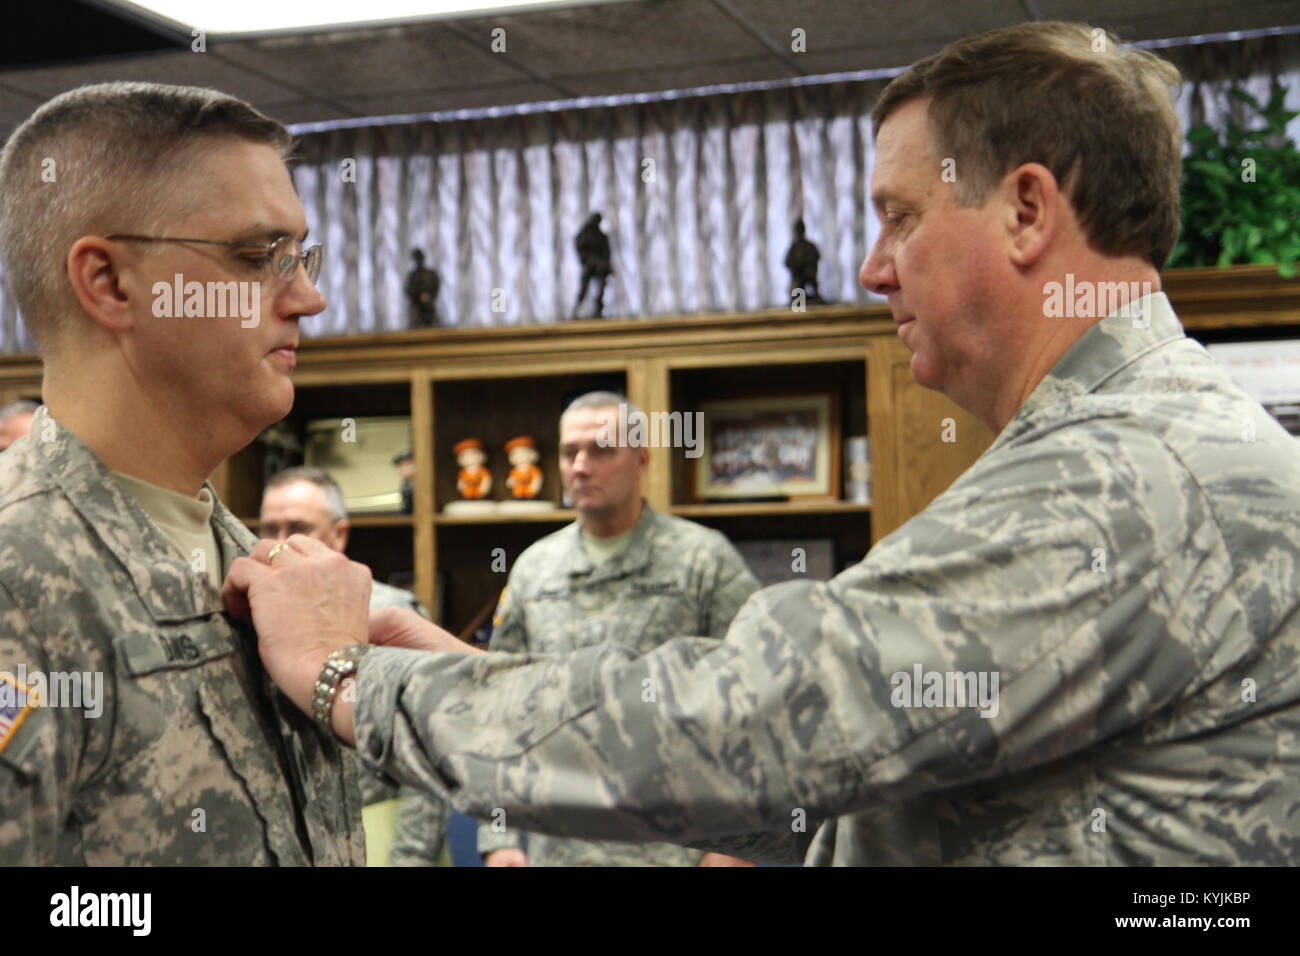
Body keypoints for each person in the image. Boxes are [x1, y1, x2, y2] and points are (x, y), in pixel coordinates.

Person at [225, 21, 1300, 865]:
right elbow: (863, 785)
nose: (875, 269)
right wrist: (461, 670)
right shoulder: (1144, 442)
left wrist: (342, 675)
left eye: (900, 217)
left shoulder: (1126, 474)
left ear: (1026, 210)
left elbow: (756, 725)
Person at [0, 82, 365, 865]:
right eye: (259, 257)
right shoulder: (17, 580)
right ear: (109, 283)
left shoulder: (263, 571)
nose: (309, 295)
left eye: (301, 257)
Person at [477, 392, 760, 866]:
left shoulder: (703, 560)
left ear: (642, 459)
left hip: (676, 848)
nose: (581, 466)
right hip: (560, 845)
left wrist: (735, 845)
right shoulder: (534, 569)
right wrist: (498, 836)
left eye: (602, 451)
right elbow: (501, 707)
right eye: (570, 453)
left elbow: (753, 705)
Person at [259, 466, 450, 866]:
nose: (281, 544)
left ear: (339, 534)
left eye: (298, 528)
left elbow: (428, 753)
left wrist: (411, 858)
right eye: (268, 529)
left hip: (376, 829)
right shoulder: (251, 615)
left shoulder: (387, 613)